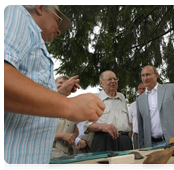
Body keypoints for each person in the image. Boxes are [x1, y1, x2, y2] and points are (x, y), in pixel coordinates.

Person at [4, 5, 105, 169]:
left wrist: (59, 94)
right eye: (57, 21)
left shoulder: (32, 37)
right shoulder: (17, 13)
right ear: (40, 7)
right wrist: (69, 105)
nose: (59, 31)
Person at [136, 65, 174, 149]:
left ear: (156, 75)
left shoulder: (171, 89)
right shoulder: (139, 100)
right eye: (143, 75)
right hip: (151, 146)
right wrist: (142, 147)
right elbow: (141, 126)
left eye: (148, 74)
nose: (145, 78)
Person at [84, 70, 133, 152]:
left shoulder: (122, 97)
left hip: (124, 142)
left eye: (115, 79)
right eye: (109, 79)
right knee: (103, 164)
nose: (113, 81)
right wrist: (103, 126)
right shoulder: (94, 98)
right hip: (103, 140)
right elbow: (86, 126)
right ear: (101, 83)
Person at [51, 76, 80, 158]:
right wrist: (59, 135)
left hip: (69, 154)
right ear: (54, 84)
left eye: (67, 84)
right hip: (50, 154)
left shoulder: (72, 107)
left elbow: (76, 130)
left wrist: (73, 136)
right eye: (60, 83)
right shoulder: (45, 104)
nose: (64, 85)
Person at [128, 82, 146, 149]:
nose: (141, 90)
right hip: (137, 136)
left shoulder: (152, 104)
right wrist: (129, 139)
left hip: (148, 135)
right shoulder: (133, 105)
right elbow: (130, 123)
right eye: (140, 89)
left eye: (144, 89)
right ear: (138, 91)